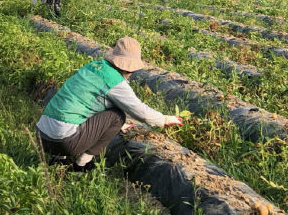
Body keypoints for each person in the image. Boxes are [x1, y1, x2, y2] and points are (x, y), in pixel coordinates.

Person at [36, 37, 183, 171]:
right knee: (117, 116)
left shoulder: (94, 66)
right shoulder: (114, 81)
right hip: (64, 141)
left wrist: (108, 127)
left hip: (41, 135)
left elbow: (90, 104)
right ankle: (81, 165)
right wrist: (164, 120)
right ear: (131, 67)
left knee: (76, 111)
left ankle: (58, 160)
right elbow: (140, 111)